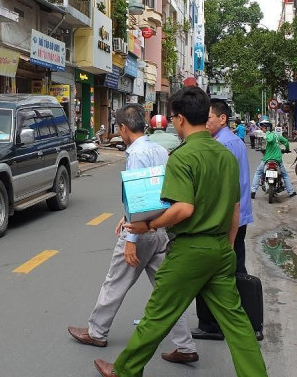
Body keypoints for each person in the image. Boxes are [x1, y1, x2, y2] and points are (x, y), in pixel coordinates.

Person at [93, 87, 267, 377]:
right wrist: (226, 246)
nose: (173, 122)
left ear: (181, 118)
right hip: (221, 248)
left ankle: (124, 370)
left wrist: (146, 225)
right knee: (237, 322)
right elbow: (236, 209)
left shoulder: (183, 156)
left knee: (158, 314)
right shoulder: (224, 154)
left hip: (191, 249)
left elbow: (183, 209)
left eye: (173, 117)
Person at [68, 104, 198, 363]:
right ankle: (185, 346)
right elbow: (160, 193)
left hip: (142, 231)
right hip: (160, 228)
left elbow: (140, 201)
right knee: (167, 291)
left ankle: (97, 332)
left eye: (119, 129)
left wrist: (131, 238)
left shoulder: (137, 155)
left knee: (115, 282)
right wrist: (126, 216)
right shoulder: (160, 150)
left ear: (124, 129)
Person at [189, 99, 254, 340]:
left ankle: (218, 324)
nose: (205, 124)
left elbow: (220, 187)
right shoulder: (227, 141)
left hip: (227, 217)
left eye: (208, 119)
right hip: (235, 215)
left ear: (222, 119)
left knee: (226, 270)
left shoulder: (224, 144)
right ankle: (238, 322)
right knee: (233, 267)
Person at [250, 121, 297, 198]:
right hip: (277, 159)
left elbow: (270, 140)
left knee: (258, 173)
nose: (262, 129)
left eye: (263, 127)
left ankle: (253, 191)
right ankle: (291, 192)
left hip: (267, 159)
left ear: (267, 128)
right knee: (285, 175)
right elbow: (286, 142)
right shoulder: (277, 135)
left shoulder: (268, 134)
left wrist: (267, 134)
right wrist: (287, 149)